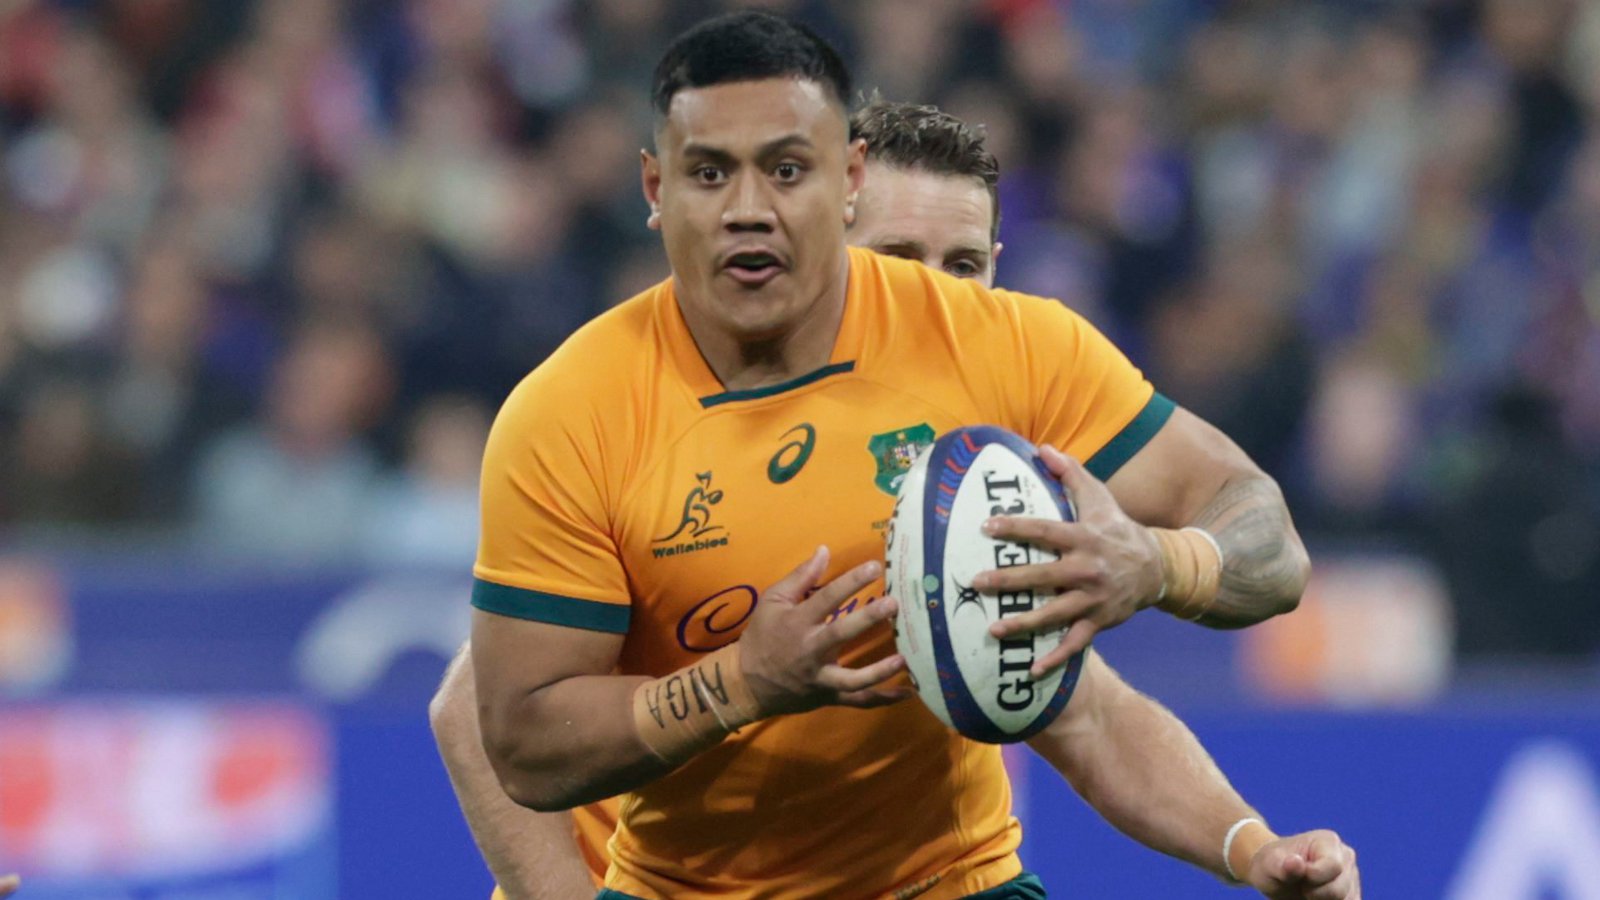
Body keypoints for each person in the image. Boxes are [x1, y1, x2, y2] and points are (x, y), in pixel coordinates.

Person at [470, 11, 1357, 898]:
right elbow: (515, 741)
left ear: (847, 177)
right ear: (654, 187)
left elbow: (1250, 554)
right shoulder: (571, 414)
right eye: (709, 173)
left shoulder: (996, 345)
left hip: (953, 880)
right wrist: (741, 681)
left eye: (787, 169)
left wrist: (1161, 563)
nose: (749, 210)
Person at [432, 96, 1017, 899]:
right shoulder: (674, 415)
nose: (932, 297)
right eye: (896, 259)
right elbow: (471, 709)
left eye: (963, 266)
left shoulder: (984, 419)